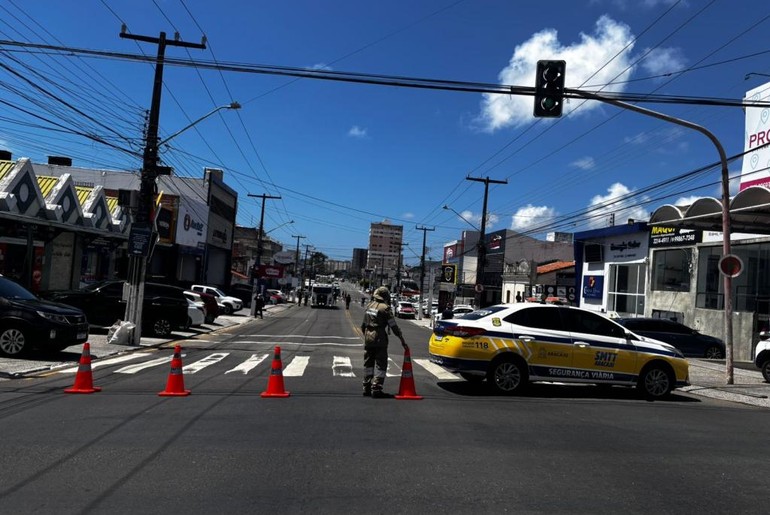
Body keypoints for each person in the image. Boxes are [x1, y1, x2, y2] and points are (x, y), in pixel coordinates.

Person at [360, 286, 407, 398]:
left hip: (368, 337)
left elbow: (363, 325)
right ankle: (376, 388)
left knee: (368, 363)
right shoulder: (384, 308)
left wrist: (367, 336)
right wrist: (402, 340)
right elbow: (393, 326)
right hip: (379, 337)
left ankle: (366, 387)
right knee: (381, 364)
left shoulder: (369, 306)